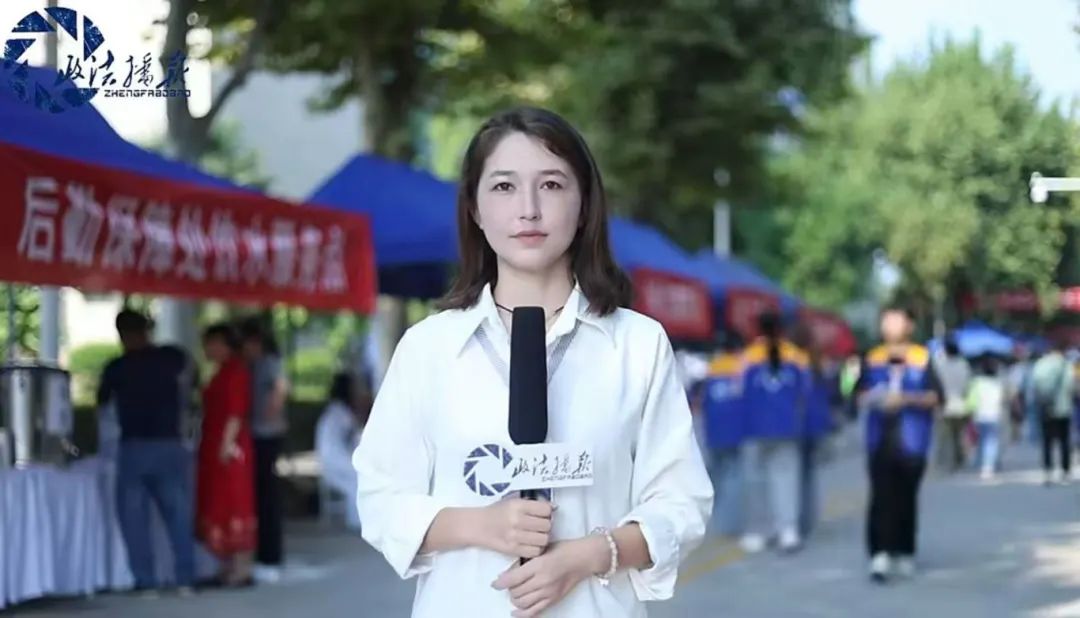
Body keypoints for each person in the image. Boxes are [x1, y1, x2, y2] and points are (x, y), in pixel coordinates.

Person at [352, 107, 713, 617]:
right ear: (475, 209)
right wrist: (482, 525)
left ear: (584, 205)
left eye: (551, 185)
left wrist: (592, 554)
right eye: (504, 187)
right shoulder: (429, 348)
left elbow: (681, 504)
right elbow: (379, 497)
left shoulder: (636, 344)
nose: (528, 209)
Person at [98, 310, 196, 595]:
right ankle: (185, 578)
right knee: (178, 515)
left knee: (134, 519)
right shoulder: (172, 358)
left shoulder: (116, 368)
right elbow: (193, 379)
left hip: (134, 446)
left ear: (121, 335)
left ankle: (145, 581)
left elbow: (102, 405)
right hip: (170, 444)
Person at [856, 306, 941, 583]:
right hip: (879, 438)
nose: (890, 325)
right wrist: (875, 398)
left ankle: (904, 550)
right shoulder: (873, 358)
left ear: (909, 326)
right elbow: (858, 393)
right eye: (886, 321)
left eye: (896, 320)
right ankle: (879, 554)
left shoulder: (922, 358)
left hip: (912, 439)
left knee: (906, 497)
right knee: (880, 497)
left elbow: (936, 397)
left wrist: (906, 399)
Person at [738, 311, 809, 555]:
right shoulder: (796, 356)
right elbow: (804, 394)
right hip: (787, 429)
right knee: (787, 480)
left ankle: (759, 531)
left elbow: (739, 392)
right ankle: (788, 530)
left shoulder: (748, 356)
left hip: (754, 429)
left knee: (755, 482)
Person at [197, 323, 257, 587]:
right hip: (214, 445)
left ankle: (242, 568)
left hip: (230, 449)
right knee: (218, 504)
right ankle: (226, 566)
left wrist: (226, 445)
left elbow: (235, 412)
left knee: (235, 504)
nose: (207, 349)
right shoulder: (220, 372)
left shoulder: (236, 372)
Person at [239, 318, 290, 582]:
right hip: (257, 434)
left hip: (267, 435)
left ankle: (271, 554)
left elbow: (280, 388)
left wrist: (270, 412)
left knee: (267, 496)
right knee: (260, 496)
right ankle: (263, 552)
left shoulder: (269, 362)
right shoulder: (252, 365)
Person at [697, 337, 747, 537]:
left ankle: (709, 518)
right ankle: (730, 523)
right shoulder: (741, 368)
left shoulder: (712, 369)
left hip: (714, 432)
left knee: (714, 476)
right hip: (736, 433)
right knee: (734, 476)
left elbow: (702, 402)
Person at [316, 372, 370, 530]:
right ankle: (358, 521)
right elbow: (355, 433)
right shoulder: (340, 412)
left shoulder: (336, 410)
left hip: (336, 458)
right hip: (335, 460)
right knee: (360, 477)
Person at [1027, 339, 1076, 485]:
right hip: (1064, 408)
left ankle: (1048, 471)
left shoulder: (1041, 364)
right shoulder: (1066, 365)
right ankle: (1065, 471)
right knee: (1064, 441)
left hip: (1046, 407)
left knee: (1047, 441)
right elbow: (1072, 386)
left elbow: (1035, 385)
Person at [933, 335, 972, 472]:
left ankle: (946, 462)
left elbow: (936, 386)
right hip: (961, 404)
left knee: (945, 435)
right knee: (959, 434)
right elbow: (967, 386)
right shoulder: (964, 365)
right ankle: (959, 459)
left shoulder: (940, 365)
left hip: (945, 405)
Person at [966, 355, 1007, 480]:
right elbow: (1003, 399)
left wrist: (970, 413)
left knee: (981, 440)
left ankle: (981, 462)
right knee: (991, 441)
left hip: (979, 415)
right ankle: (988, 466)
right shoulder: (999, 383)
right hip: (995, 414)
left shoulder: (976, 382)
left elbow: (971, 400)